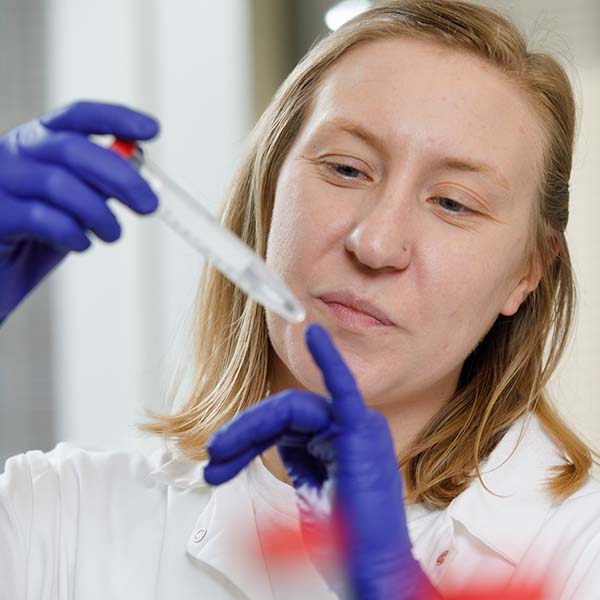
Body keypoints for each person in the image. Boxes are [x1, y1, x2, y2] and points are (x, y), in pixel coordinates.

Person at [0, 0, 598, 598]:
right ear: (270, 189)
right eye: (345, 169)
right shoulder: (59, 516)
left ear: (527, 273)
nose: (376, 243)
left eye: (453, 203)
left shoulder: (581, 546)